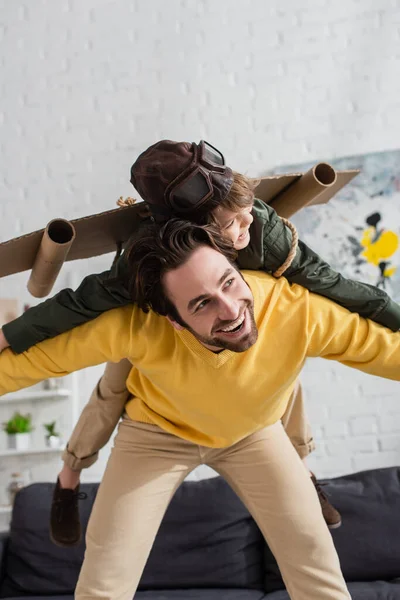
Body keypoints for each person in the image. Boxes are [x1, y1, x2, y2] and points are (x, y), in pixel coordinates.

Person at [1, 140, 400, 545]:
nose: (246, 229)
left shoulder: (262, 228)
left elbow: (336, 284)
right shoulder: (140, 261)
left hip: (235, 337)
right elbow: (76, 304)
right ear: (196, 228)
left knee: (278, 371)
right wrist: (6, 335)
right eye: (234, 224)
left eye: (247, 216)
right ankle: (68, 479)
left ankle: (304, 471)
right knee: (112, 391)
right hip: (154, 328)